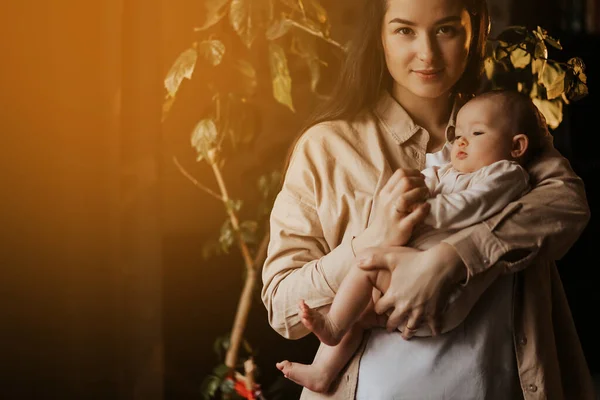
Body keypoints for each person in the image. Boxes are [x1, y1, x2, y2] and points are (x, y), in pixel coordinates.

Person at [261, 0, 596, 398]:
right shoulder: (327, 147)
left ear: (475, 30)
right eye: (404, 30)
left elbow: (566, 206)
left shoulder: (503, 127)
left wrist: (452, 259)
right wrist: (371, 240)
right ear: (379, 36)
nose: (427, 53)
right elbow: (283, 309)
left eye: (446, 29)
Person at [274, 90, 546, 393]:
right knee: (361, 304)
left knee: (367, 268)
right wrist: (387, 215)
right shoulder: (327, 144)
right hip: (389, 346)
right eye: (458, 135)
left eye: (477, 133)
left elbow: (472, 205)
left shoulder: (505, 173)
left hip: (447, 295)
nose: (462, 141)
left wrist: (421, 216)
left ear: (517, 145)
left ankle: (334, 328)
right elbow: (427, 180)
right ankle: (323, 370)